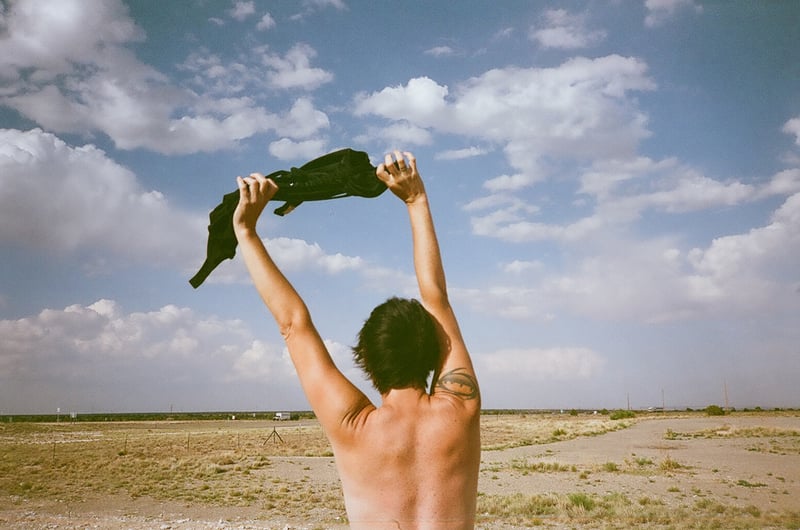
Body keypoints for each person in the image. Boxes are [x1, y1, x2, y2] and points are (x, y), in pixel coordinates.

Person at [233, 150, 481, 529]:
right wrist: (416, 200)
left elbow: (293, 325)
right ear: (435, 352)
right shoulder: (460, 410)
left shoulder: (354, 425)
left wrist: (246, 232)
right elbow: (437, 298)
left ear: (364, 355)